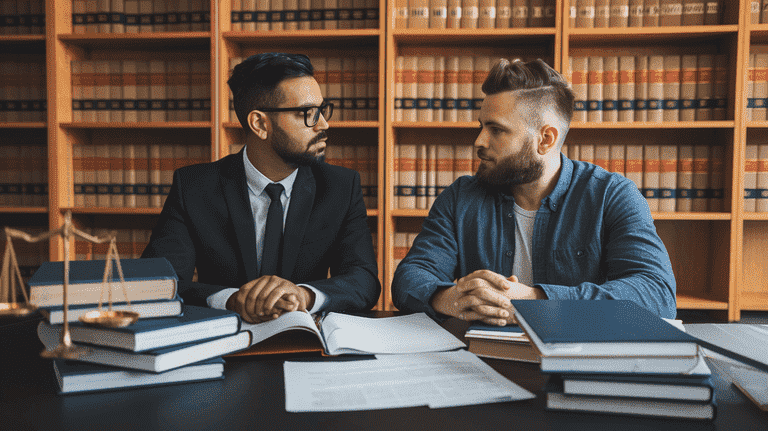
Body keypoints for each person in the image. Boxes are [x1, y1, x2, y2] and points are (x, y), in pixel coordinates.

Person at [391, 58, 677, 324]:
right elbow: (409, 278)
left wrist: (534, 300)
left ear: (546, 139)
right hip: (481, 359)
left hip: (574, 360)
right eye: (481, 127)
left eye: (497, 130)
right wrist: (450, 299)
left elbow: (656, 294)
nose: (479, 141)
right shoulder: (460, 198)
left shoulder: (611, 196)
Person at [142, 52, 380, 323]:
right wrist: (231, 299)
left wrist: (305, 295)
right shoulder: (195, 187)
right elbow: (156, 284)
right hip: (225, 343)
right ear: (260, 124)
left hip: (305, 343)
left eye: (322, 110)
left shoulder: (340, 186)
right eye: (307, 114)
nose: (324, 125)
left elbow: (364, 280)